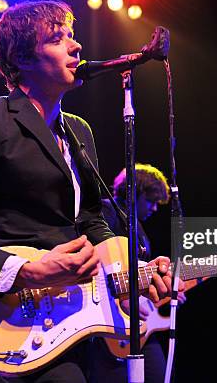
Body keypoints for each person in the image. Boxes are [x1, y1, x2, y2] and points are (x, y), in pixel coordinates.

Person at [0, 0, 175, 382]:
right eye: (58, 39)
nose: (76, 47)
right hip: (27, 320)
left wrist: (128, 271)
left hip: (90, 313)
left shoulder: (79, 132)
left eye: (72, 36)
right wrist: (29, 271)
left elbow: (90, 219)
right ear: (22, 58)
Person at [94, 163, 185, 383]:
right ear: (135, 192)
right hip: (109, 324)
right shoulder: (107, 211)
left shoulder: (139, 229)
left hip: (138, 325)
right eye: (152, 201)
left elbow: (140, 283)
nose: (155, 208)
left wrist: (165, 293)